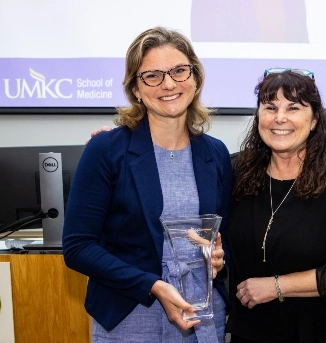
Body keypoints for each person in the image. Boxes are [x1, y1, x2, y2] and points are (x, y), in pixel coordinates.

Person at [63, 27, 232, 343]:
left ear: (195, 79)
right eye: (153, 75)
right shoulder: (106, 151)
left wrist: (220, 259)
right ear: (135, 90)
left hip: (202, 318)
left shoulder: (216, 153)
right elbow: (78, 247)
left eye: (180, 71)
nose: (169, 84)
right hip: (131, 316)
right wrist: (152, 285)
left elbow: (227, 237)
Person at [226, 69, 326, 342]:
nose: (280, 118)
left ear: (314, 120)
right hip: (252, 330)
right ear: (258, 117)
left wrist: (275, 286)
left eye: (293, 107)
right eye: (270, 107)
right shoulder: (235, 171)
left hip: (320, 330)